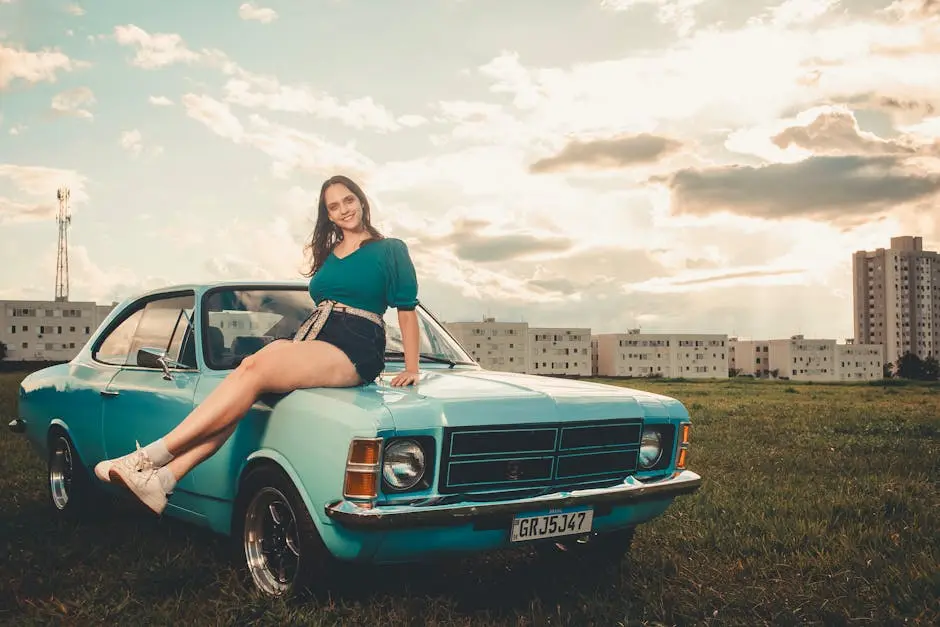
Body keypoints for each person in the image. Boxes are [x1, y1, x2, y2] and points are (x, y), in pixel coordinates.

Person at [93, 174, 422, 515]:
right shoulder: (331, 254)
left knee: (255, 370)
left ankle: (147, 459)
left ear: (361, 200)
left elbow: (407, 311)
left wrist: (411, 367)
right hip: (316, 334)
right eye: (333, 206)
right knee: (245, 376)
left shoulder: (390, 249)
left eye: (348, 200)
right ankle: (164, 480)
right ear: (328, 215)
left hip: (356, 342)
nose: (344, 210)